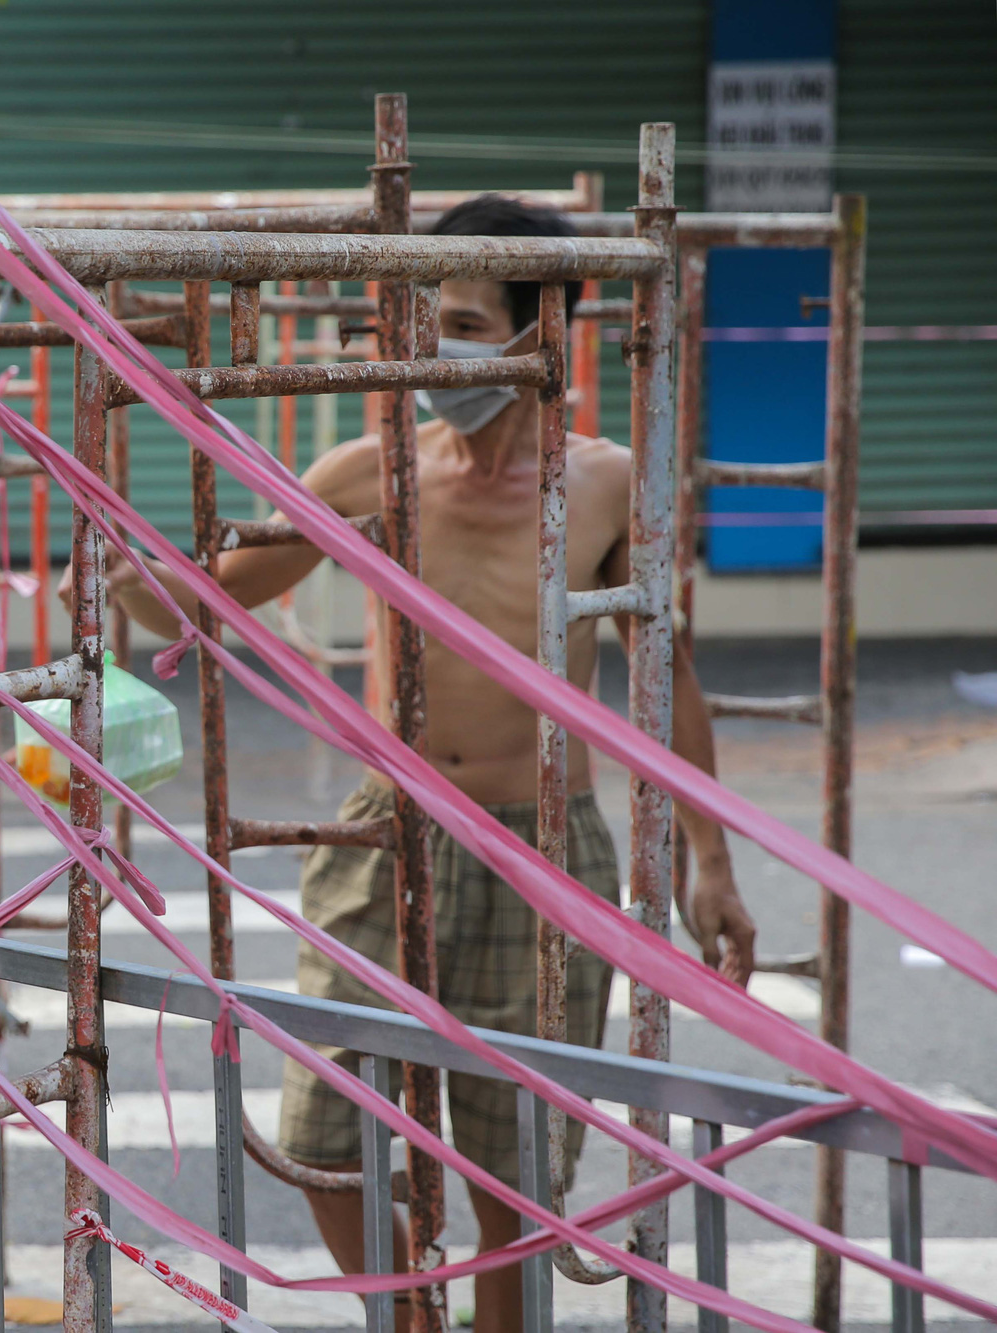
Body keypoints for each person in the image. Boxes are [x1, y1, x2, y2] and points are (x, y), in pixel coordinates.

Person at [70, 197, 757, 1333]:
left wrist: (708, 858)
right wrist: (113, 573)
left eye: (462, 322)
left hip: (542, 845)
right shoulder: (371, 462)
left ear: (544, 333)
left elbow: (661, 680)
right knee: (319, 1135)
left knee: (516, 1174)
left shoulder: (600, 483)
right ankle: (406, 1319)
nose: (429, 345)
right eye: (424, 317)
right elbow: (200, 601)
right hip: (380, 833)